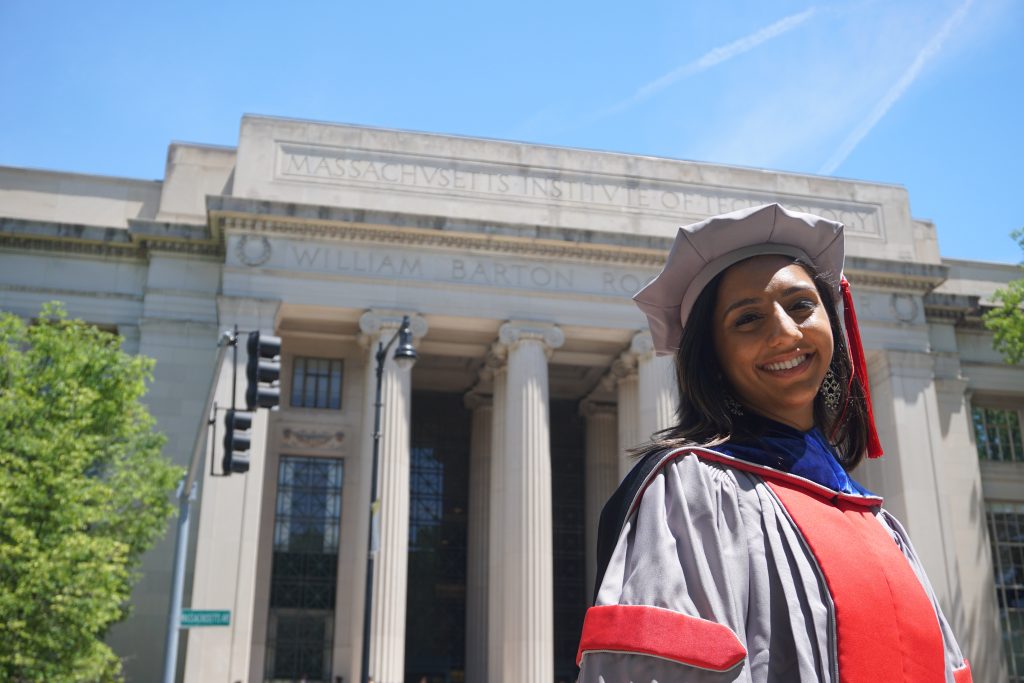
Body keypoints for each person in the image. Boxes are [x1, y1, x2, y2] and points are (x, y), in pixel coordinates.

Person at [575, 204, 972, 682]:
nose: (785, 331)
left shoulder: (880, 524)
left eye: (802, 305)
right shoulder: (694, 494)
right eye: (747, 320)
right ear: (712, 356)